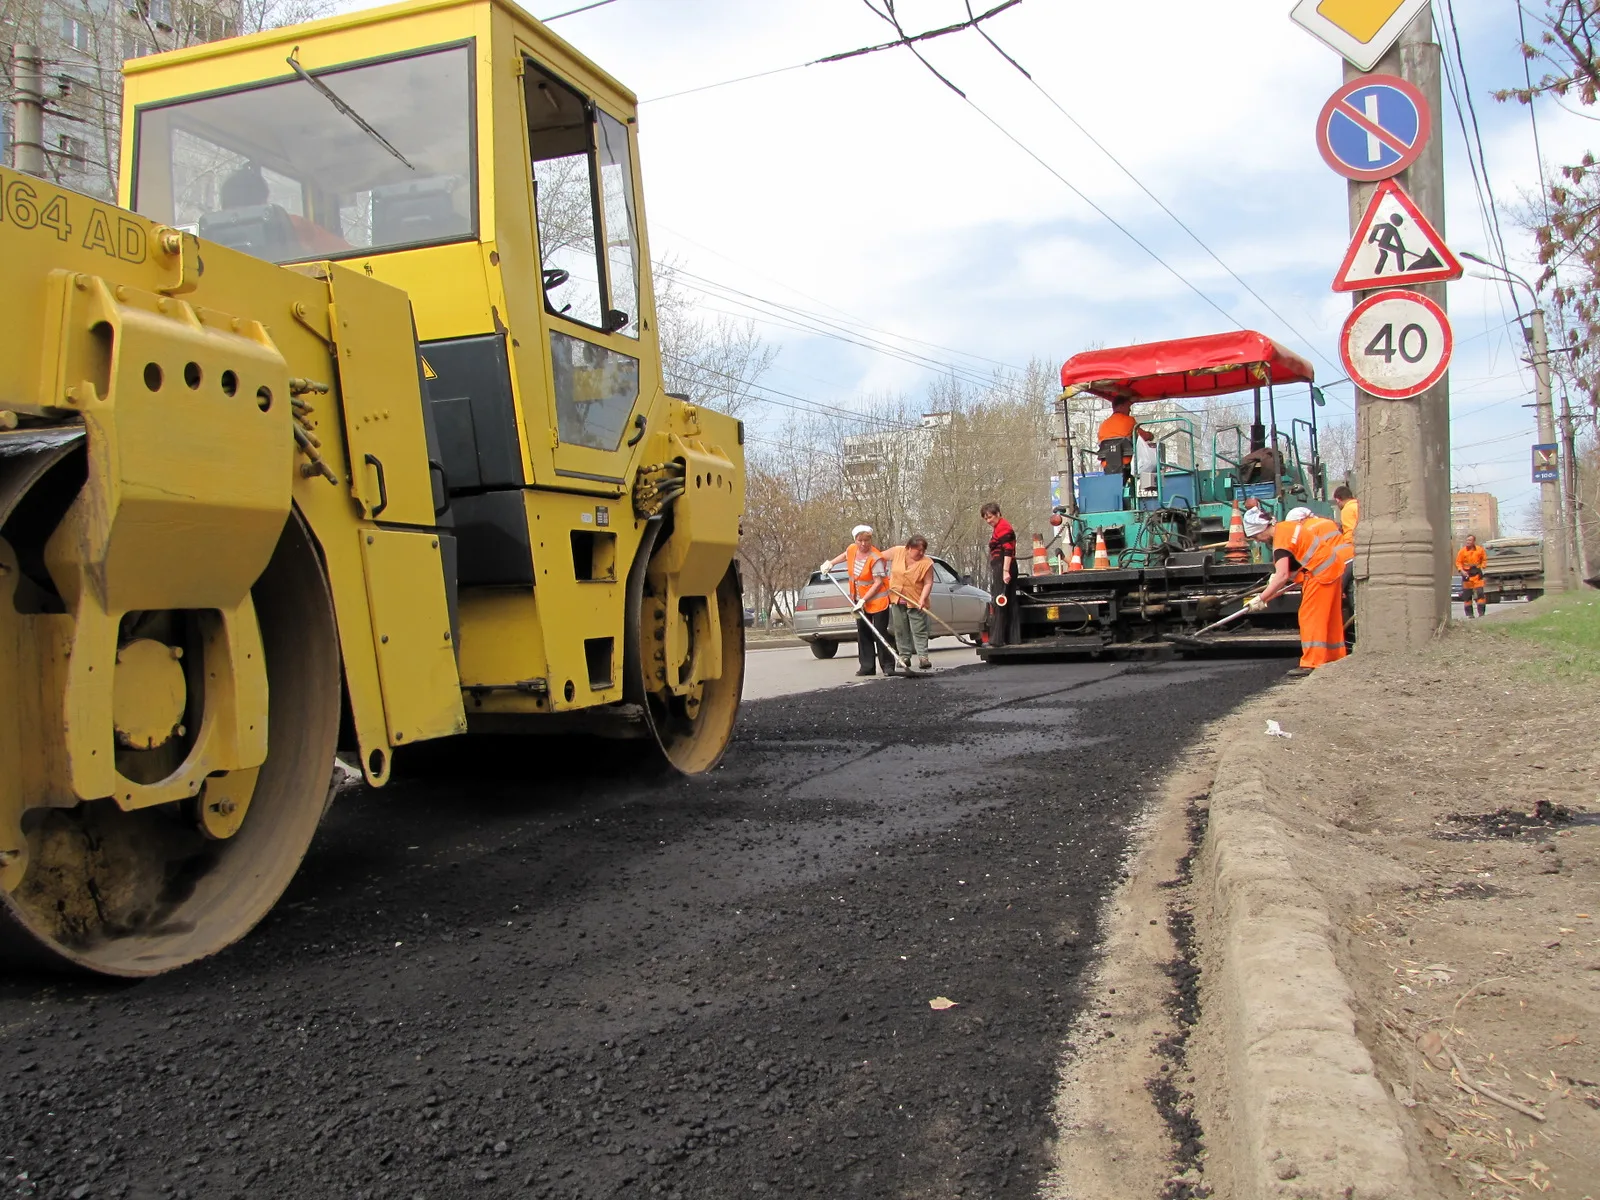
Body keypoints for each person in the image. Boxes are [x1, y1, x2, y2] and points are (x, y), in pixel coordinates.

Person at [1243, 505, 1352, 676]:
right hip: (1332, 568)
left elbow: (1282, 575)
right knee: (1329, 617)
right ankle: (1334, 657)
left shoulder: (1280, 542)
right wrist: (1282, 578)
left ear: (1262, 529)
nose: (1258, 540)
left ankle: (1312, 662)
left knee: (1310, 617)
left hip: (1320, 574)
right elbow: (1298, 557)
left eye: (1256, 536)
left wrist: (1262, 598)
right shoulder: (1286, 527)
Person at [219, 163, 348, 256]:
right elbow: (345, 254)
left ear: (224, 203)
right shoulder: (290, 224)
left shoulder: (212, 235)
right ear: (262, 200)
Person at [821, 524, 894, 676]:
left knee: (879, 632)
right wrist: (831, 563)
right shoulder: (852, 549)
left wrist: (864, 600)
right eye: (860, 540)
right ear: (855, 540)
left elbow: (878, 582)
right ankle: (867, 666)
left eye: (866, 540)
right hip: (859, 600)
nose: (863, 544)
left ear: (870, 540)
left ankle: (888, 666)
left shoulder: (876, 558)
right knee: (863, 633)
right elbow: (845, 555)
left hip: (877, 601)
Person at [886, 534, 935, 672]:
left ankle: (923, 657)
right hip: (897, 598)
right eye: (918, 550)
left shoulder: (927, 563)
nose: (921, 553)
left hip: (916, 600)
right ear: (908, 548)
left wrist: (922, 599)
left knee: (919, 629)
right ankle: (904, 657)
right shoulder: (898, 552)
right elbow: (878, 557)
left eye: (923, 550)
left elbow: (928, 582)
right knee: (900, 629)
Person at [980, 502, 1017, 647]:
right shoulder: (999, 527)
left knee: (1000, 601)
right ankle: (1010, 637)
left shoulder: (1003, 527)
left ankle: (998, 638)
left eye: (990, 517)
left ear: (998, 514)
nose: (989, 521)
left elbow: (1008, 550)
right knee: (1007, 601)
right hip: (1002, 565)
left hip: (1003, 565)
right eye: (986, 519)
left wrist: (1005, 571)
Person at [1097, 397, 1155, 472]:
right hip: (1126, 462)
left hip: (1106, 465)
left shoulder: (1103, 424)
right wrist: (1150, 435)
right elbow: (1143, 436)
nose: (1130, 410)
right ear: (1121, 407)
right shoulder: (1130, 420)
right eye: (1128, 407)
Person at [1456, 534, 1487, 618]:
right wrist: (1462, 571)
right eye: (1467, 540)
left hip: (1477, 573)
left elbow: (1484, 559)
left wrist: (1482, 567)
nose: (1468, 542)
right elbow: (1458, 562)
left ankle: (1481, 613)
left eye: (1470, 540)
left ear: (1474, 541)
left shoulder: (1480, 550)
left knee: (1480, 594)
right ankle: (1470, 614)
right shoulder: (1462, 551)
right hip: (1467, 574)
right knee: (1467, 595)